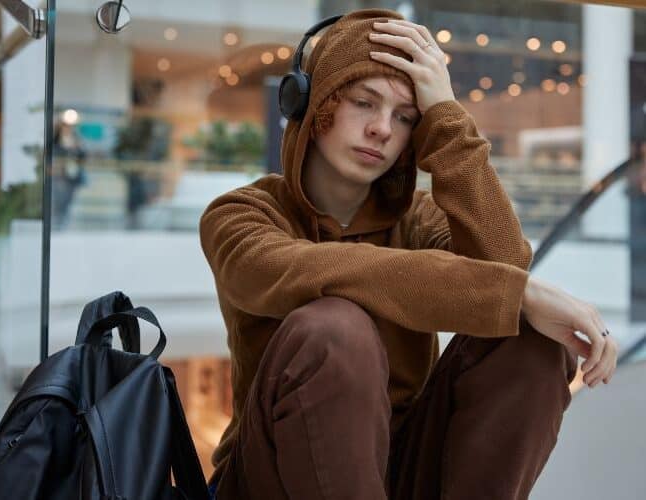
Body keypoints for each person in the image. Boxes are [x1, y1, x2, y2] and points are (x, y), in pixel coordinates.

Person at [199, 9, 618, 500]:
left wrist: (445, 114)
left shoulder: (419, 219)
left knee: (531, 337)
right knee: (334, 327)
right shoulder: (242, 215)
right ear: (312, 105)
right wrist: (519, 291)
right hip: (270, 477)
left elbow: (503, 265)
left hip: (402, 472)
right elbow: (305, 271)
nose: (381, 128)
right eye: (363, 102)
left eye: (404, 117)